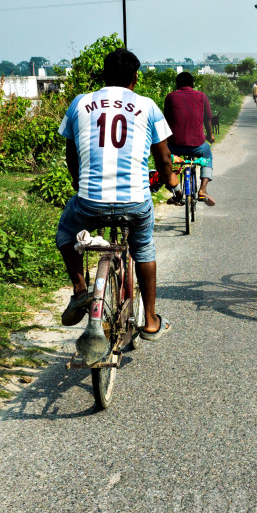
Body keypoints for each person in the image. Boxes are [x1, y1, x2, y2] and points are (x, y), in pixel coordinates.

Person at [55, 47, 176, 339]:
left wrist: (77, 181)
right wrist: (170, 178)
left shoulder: (79, 103)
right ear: (135, 78)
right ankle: (149, 319)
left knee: (66, 232)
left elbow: (71, 153)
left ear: (103, 76)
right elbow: (162, 158)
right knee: (143, 247)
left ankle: (81, 290)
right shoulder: (147, 106)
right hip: (134, 201)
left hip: (89, 202)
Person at [163, 70, 217, 206]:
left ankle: (177, 192)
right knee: (207, 156)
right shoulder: (201, 96)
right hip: (197, 145)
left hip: (174, 144)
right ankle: (203, 189)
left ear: (177, 84)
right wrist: (210, 135)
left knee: (166, 160)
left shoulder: (170, 97)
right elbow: (208, 119)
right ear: (193, 83)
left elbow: (166, 120)